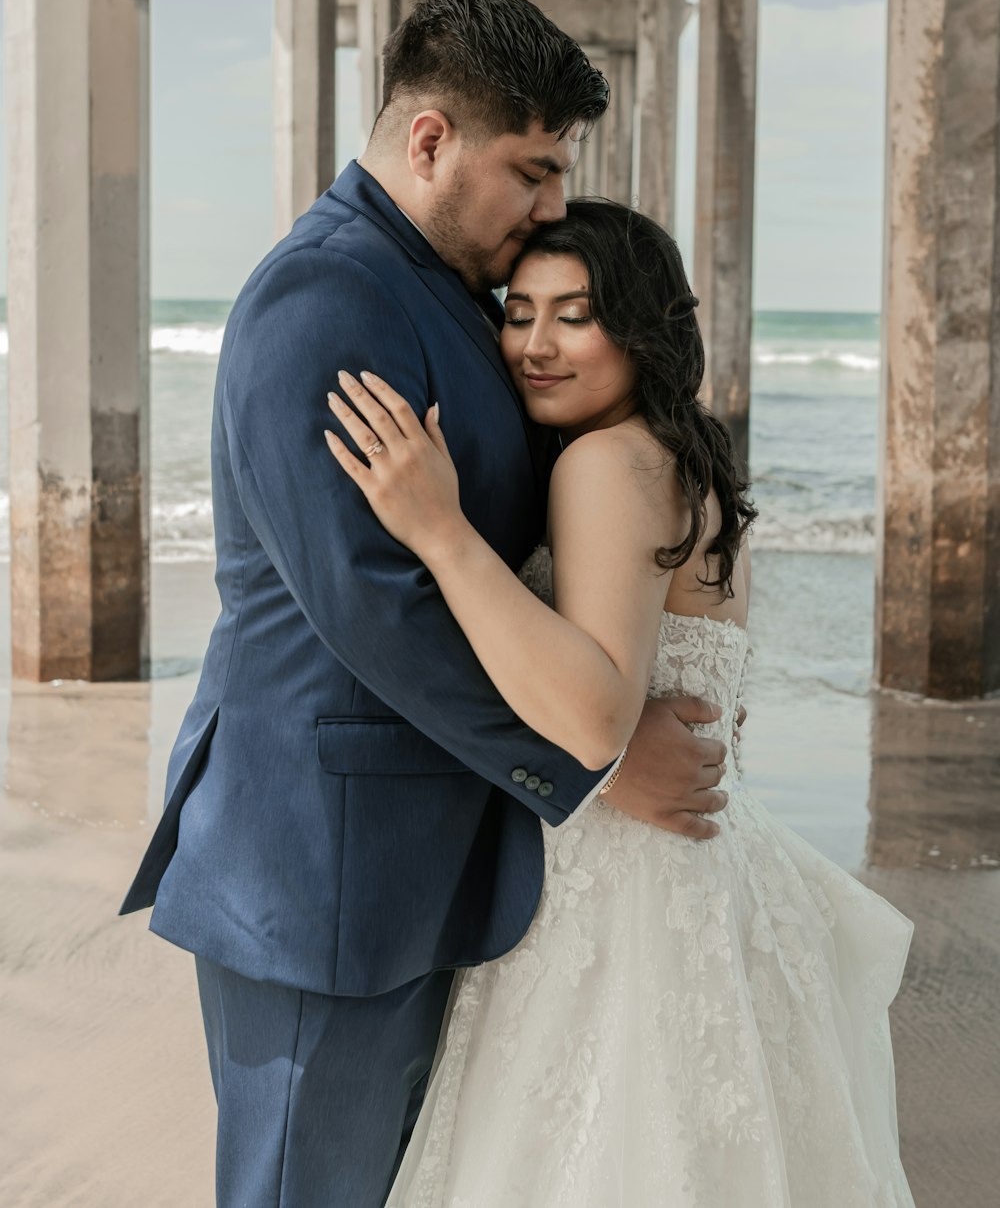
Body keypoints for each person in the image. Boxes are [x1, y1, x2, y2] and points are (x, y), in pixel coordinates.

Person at [119, 0, 736, 1208]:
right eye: (532, 170)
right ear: (429, 140)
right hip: (323, 871)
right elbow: (372, 603)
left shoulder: (437, 277)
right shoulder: (327, 297)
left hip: (411, 854)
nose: (554, 204)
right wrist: (595, 765)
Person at [326, 197, 916, 1207]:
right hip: (702, 870)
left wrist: (438, 531)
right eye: (518, 313)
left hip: (620, 888)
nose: (535, 346)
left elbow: (597, 714)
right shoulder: (678, 456)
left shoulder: (603, 464)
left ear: (640, 327)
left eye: (575, 315)